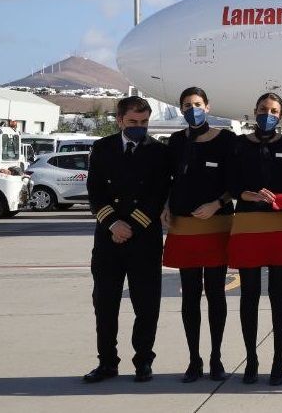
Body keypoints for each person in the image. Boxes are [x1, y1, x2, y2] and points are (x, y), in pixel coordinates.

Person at [84, 96, 170, 383]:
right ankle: (107, 361)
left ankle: (143, 360)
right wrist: (113, 223)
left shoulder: (159, 152)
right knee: (105, 304)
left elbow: (157, 195)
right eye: (133, 122)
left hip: (143, 239)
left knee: (146, 305)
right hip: (109, 238)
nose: (139, 127)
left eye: (144, 122)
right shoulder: (102, 148)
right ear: (119, 120)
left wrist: (131, 226)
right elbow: (95, 192)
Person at [161, 87, 237, 383]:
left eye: (197, 104)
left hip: (215, 224)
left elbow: (235, 181)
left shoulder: (226, 139)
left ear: (208, 106)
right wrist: (166, 205)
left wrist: (217, 204)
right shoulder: (176, 141)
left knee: (216, 294)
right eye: (187, 105)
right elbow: (170, 180)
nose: (192, 109)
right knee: (189, 296)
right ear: (181, 109)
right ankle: (194, 359)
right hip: (185, 227)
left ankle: (217, 357)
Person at [228, 92, 282, 386]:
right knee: (249, 295)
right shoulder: (239, 144)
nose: (267, 115)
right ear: (254, 112)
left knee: (278, 295)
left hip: (280, 223)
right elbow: (231, 184)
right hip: (247, 222)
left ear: (280, 116)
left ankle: (278, 359)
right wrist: (248, 193)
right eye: (262, 110)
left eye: (273, 111)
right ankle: (251, 359)